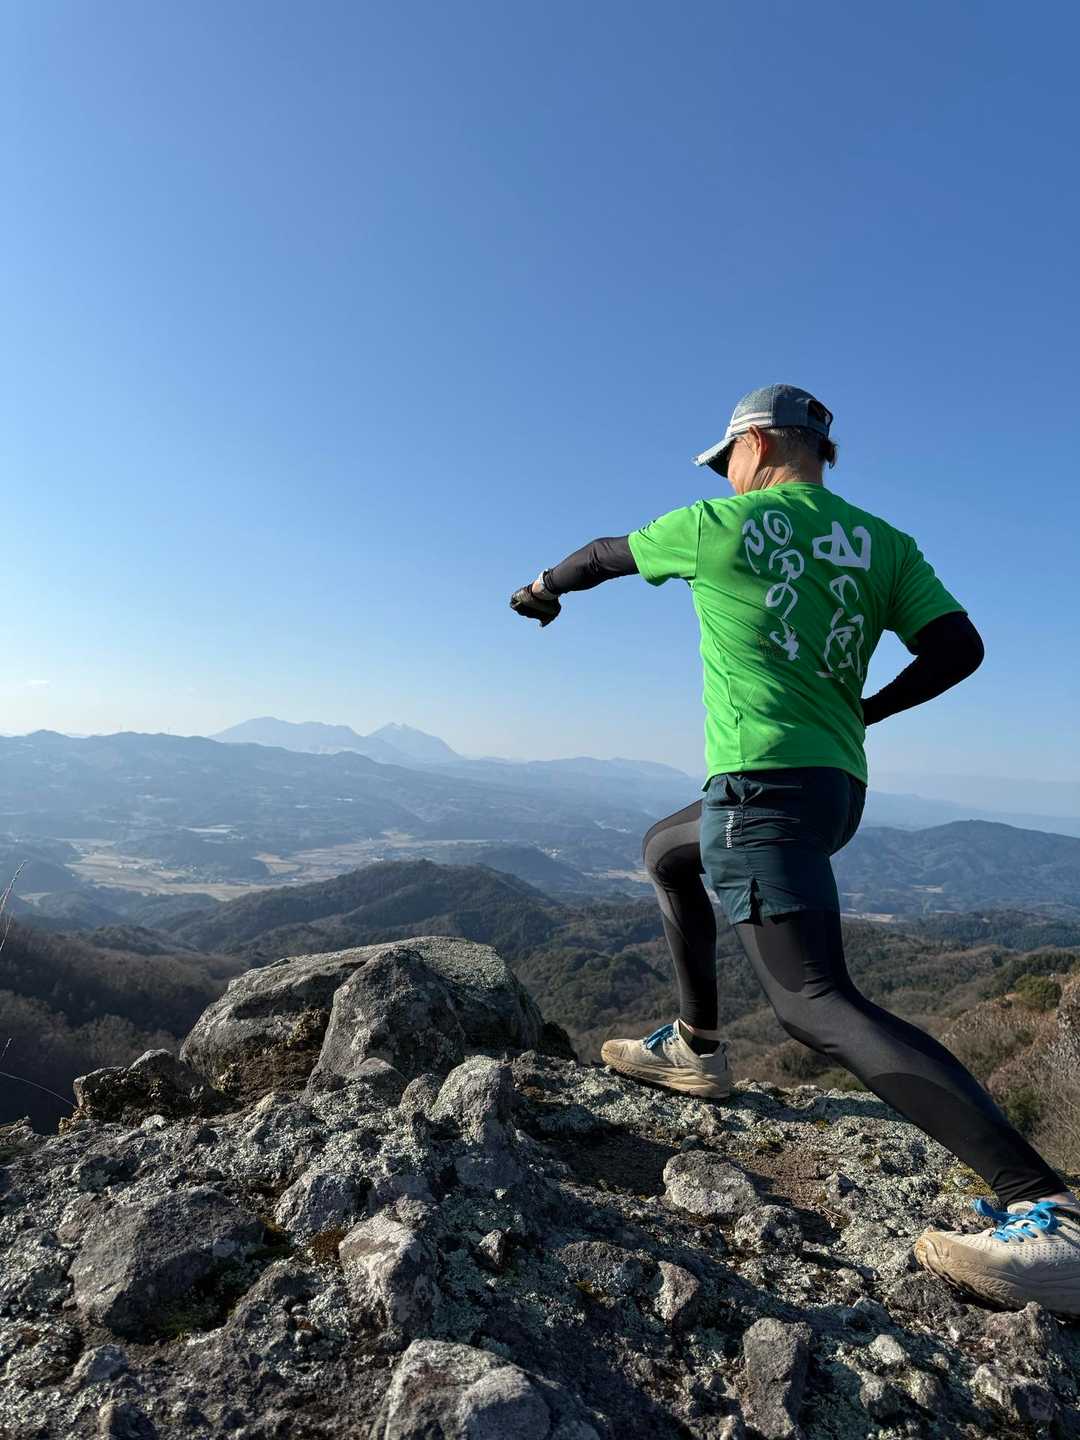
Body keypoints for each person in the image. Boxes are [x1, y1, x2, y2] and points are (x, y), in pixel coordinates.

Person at [510, 383, 1080, 1313]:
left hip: (760, 792)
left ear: (761, 444)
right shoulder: (885, 544)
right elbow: (959, 649)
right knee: (666, 851)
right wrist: (865, 710)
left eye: (727, 458)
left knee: (813, 1002)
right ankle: (697, 1046)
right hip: (832, 790)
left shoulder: (714, 525)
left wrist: (541, 590)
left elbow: (602, 555)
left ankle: (1047, 1209)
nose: (724, 475)